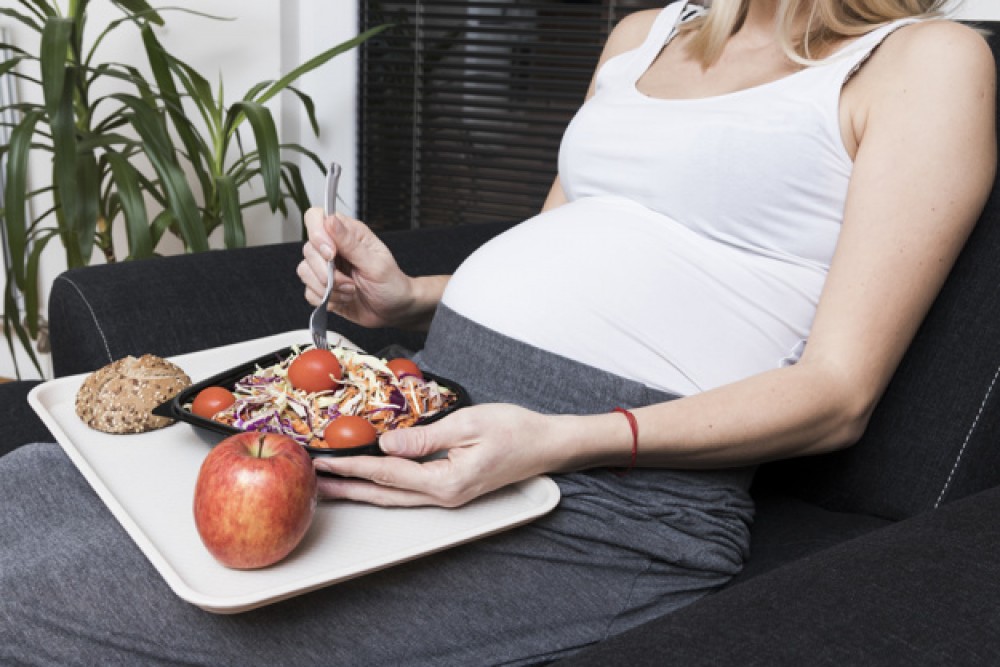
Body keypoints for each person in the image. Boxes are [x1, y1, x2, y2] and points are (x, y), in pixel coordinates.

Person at [0, 0, 994, 665]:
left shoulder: (922, 61)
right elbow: (565, 243)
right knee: (24, 488)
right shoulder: (644, 34)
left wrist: (558, 437)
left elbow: (837, 395)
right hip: (420, 420)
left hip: (606, 506)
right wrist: (407, 299)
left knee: (39, 600)